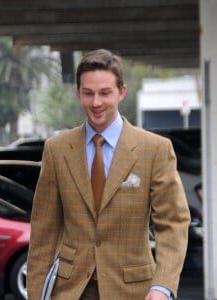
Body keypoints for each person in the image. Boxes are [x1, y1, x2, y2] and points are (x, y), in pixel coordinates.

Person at [27, 49, 190, 300]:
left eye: (105, 93)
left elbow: (173, 222)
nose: (96, 103)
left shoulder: (155, 149)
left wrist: (163, 285)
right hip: (71, 290)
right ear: (78, 92)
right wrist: (36, 294)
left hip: (134, 290)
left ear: (121, 92)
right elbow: (43, 231)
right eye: (88, 93)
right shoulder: (56, 150)